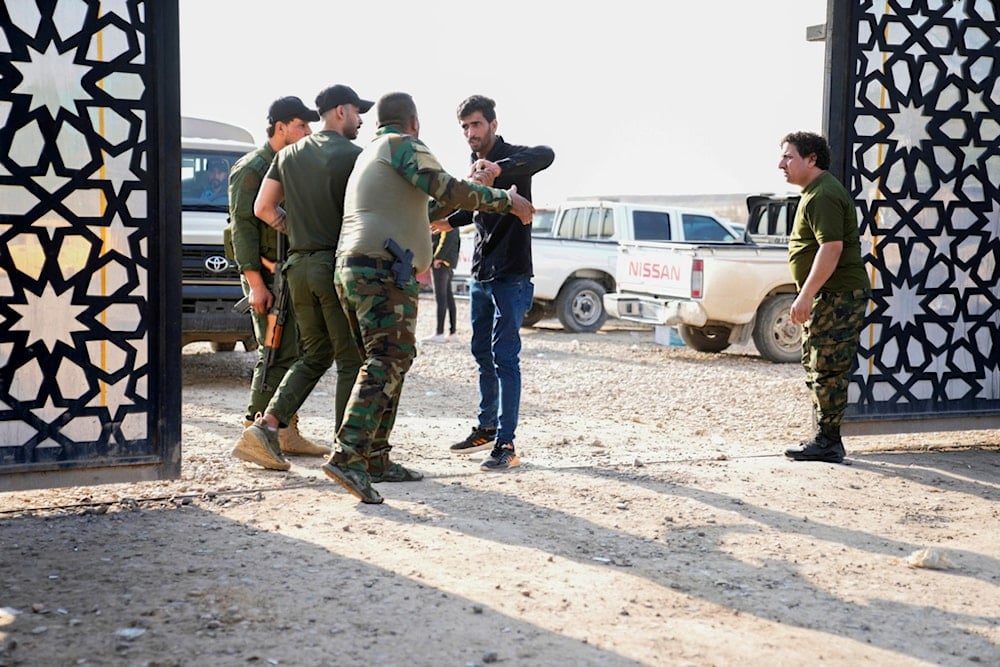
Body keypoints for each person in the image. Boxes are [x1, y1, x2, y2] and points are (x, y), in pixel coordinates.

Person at [324, 91, 535, 504]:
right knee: (386, 359)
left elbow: (434, 203)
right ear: (414, 122)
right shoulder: (403, 146)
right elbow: (446, 189)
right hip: (380, 270)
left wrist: (475, 190)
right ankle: (350, 456)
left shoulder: (372, 153)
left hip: (356, 266)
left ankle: (376, 458)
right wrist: (504, 200)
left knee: (394, 357)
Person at [232, 84, 369, 471]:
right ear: (341, 111)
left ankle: (267, 427)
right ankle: (349, 453)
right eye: (358, 113)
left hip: (297, 268)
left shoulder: (287, 155)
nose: (360, 121)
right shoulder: (356, 156)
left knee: (311, 354)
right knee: (349, 358)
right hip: (329, 266)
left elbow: (263, 207)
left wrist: (300, 230)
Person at [432, 94, 554, 472]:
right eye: (465, 127)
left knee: (505, 358)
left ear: (493, 125)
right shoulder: (473, 164)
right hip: (481, 273)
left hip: (511, 274)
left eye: (477, 124)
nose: (471, 133)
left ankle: (506, 444)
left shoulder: (514, 159)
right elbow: (476, 206)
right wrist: (444, 223)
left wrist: (498, 170)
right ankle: (486, 427)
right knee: (481, 352)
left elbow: (546, 153)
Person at [226, 96, 330, 469]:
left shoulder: (288, 164)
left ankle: (285, 431)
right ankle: (255, 433)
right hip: (266, 278)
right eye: (303, 126)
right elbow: (241, 228)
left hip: (288, 274)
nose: (308, 133)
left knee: (297, 350)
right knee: (272, 354)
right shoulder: (253, 168)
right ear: (281, 126)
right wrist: (255, 283)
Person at [778, 131, 870, 464]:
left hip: (837, 294)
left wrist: (805, 295)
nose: (781, 164)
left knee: (828, 366)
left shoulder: (823, 194)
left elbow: (831, 249)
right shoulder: (815, 192)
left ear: (811, 159)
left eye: (788, 157)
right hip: (830, 294)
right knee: (818, 362)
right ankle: (825, 437)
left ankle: (829, 442)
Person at [422, 227, 460, 343]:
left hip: (441, 262)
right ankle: (452, 332)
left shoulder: (447, 219)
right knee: (448, 298)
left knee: (441, 298)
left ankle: (439, 332)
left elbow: (445, 238)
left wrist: (438, 257)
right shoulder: (454, 220)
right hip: (448, 262)